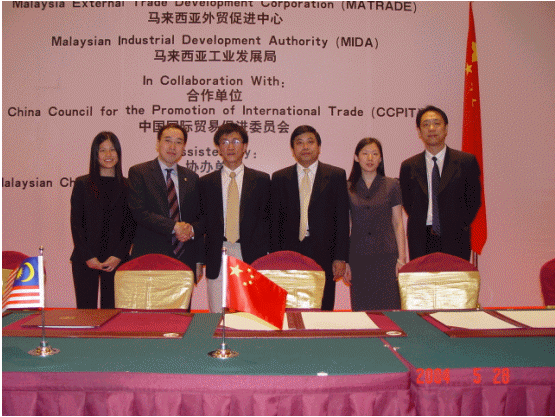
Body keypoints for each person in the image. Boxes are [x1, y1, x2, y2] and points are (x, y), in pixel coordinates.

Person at [271, 125, 350, 311]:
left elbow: (342, 219)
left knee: (323, 304)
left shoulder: (336, 175)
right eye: (299, 143)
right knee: (290, 304)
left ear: (319, 147)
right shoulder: (280, 178)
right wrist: (276, 257)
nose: (305, 147)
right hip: (289, 252)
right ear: (293, 149)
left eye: (310, 142)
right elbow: (275, 222)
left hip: (324, 252)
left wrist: (340, 257)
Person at [199, 123, 271, 312]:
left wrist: (267, 256)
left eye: (236, 141)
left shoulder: (261, 181)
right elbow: (201, 222)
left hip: (249, 252)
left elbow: (268, 221)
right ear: (218, 148)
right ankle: (215, 333)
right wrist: (198, 260)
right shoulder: (206, 183)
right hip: (217, 252)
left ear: (245, 146)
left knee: (249, 312)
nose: (230, 147)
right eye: (224, 142)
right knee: (216, 312)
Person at [399, 105, 481, 261]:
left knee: (454, 277)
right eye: (426, 124)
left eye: (436, 123)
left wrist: (459, 224)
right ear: (419, 132)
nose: (431, 128)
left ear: (446, 128)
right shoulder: (408, 166)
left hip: (456, 237)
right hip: (421, 239)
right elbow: (408, 203)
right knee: (423, 277)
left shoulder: (466, 162)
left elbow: (473, 200)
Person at [70, 131, 135, 308]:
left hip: (116, 260)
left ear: (118, 153)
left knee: (113, 314)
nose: (108, 154)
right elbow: (76, 224)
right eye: (102, 150)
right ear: (95, 154)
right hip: (86, 259)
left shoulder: (128, 186)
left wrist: (118, 255)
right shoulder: (82, 184)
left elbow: (131, 226)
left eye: (112, 149)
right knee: (86, 314)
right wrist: (88, 256)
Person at [343, 138, 407, 311]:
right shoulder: (348, 187)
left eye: (375, 154)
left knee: (390, 308)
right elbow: (345, 227)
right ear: (356, 157)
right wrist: (346, 261)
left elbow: (398, 223)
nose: (370, 158)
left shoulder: (392, 185)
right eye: (365, 153)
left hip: (387, 256)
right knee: (362, 309)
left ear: (380, 159)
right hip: (358, 257)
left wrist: (402, 259)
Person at [128, 123, 201, 272]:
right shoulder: (139, 173)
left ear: (183, 147)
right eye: (168, 141)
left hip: (184, 258)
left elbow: (199, 217)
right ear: (158, 143)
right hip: (150, 257)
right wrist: (174, 227)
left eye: (178, 142)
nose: (173, 147)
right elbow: (139, 212)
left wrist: (191, 230)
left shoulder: (192, 177)